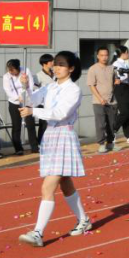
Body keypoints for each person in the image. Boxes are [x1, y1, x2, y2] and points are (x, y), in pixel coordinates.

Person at [16, 51, 92, 246]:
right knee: (65, 181)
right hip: (50, 136)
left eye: (61, 64)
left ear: (71, 68)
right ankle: (83, 220)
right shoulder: (50, 86)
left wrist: (33, 111)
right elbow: (29, 100)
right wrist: (25, 86)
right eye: (55, 64)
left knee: (47, 186)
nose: (56, 68)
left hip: (63, 135)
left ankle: (38, 233)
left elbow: (60, 113)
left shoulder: (73, 90)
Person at [86, 46, 120, 154]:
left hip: (112, 100)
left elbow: (115, 81)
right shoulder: (93, 69)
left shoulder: (112, 68)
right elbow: (91, 85)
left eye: (106, 55)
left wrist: (117, 81)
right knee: (101, 124)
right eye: (102, 55)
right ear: (97, 56)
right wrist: (100, 98)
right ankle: (101, 144)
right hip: (98, 101)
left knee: (112, 124)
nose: (104, 57)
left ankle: (110, 143)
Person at [2, 59, 39, 154]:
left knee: (30, 124)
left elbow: (31, 85)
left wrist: (25, 95)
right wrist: (17, 98)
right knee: (16, 126)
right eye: (9, 70)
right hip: (14, 102)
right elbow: (8, 91)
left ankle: (34, 147)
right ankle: (18, 149)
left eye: (13, 70)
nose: (11, 72)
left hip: (27, 101)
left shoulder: (25, 71)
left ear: (18, 68)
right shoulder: (6, 77)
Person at [36, 54, 55, 142]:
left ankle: (52, 142)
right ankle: (41, 142)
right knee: (43, 125)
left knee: (53, 124)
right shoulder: (38, 75)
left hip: (54, 103)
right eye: (50, 61)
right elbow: (35, 89)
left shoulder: (55, 73)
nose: (53, 63)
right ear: (44, 63)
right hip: (43, 104)